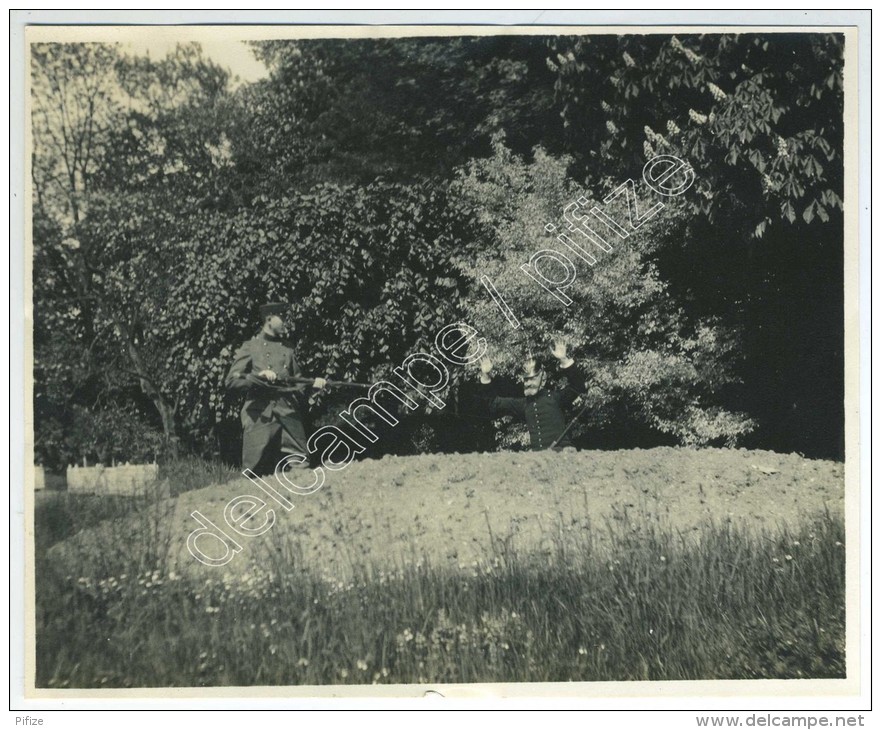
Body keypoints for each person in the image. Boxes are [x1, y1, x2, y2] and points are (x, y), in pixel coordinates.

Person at [225, 303, 327, 474]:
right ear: (269, 319)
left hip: (288, 411)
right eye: (283, 318)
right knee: (252, 470)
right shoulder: (251, 346)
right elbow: (231, 381)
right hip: (260, 413)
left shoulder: (288, 348)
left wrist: (313, 386)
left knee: (301, 464)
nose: (287, 322)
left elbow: (298, 384)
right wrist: (258, 377)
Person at [477, 340, 587, 451]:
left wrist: (563, 359)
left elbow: (578, 386)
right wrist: (485, 376)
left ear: (543, 379)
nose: (529, 383)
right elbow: (493, 403)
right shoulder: (524, 404)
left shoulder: (555, 398)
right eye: (526, 380)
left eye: (533, 379)